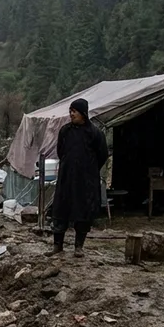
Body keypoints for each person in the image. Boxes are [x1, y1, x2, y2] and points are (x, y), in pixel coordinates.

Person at [47, 98, 108, 258]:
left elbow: (102, 155)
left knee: (83, 212)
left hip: (85, 181)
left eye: (74, 111)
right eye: (70, 111)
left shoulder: (95, 133)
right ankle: (57, 246)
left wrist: (89, 169)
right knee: (61, 210)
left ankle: (78, 247)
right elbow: (61, 152)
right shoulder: (65, 131)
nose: (71, 114)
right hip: (67, 177)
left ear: (83, 113)